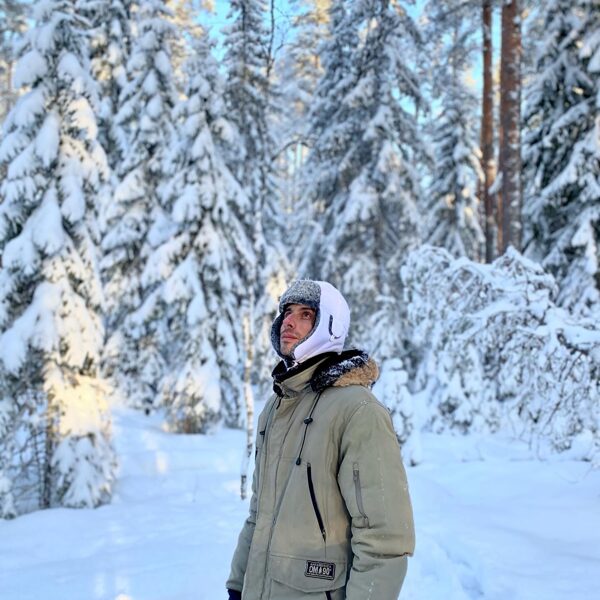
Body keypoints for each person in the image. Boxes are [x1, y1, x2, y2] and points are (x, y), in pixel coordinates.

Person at [227, 280, 415, 600]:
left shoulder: (358, 410)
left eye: (305, 315)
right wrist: (237, 585)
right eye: (286, 312)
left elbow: (384, 541)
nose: (288, 321)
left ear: (329, 325)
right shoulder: (276, 406)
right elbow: (260, 512)